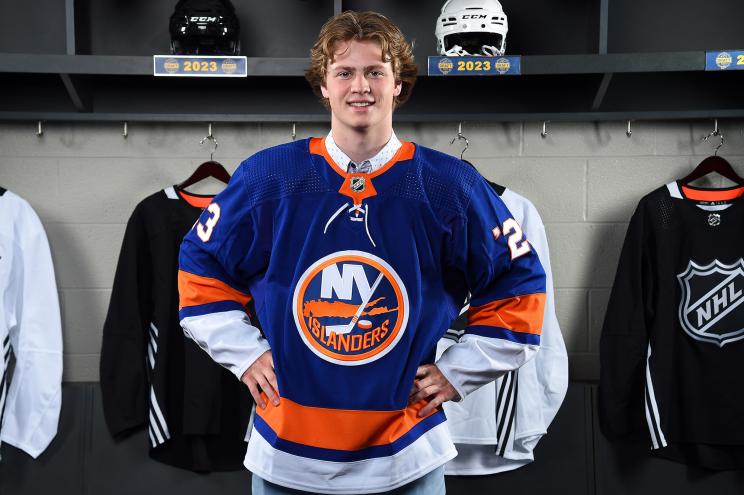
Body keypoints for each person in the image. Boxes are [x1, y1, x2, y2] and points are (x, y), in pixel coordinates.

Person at [178, 10, 546, 495]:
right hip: (286, 450)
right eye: (344, 72)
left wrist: (457, 371)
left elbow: (519, 285)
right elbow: (201, 268)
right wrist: (245, 354)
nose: (361, 86)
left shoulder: (450, 184)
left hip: (407, 451)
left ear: (399, 84)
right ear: (323, 86)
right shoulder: (268, 177)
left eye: (376, 71)